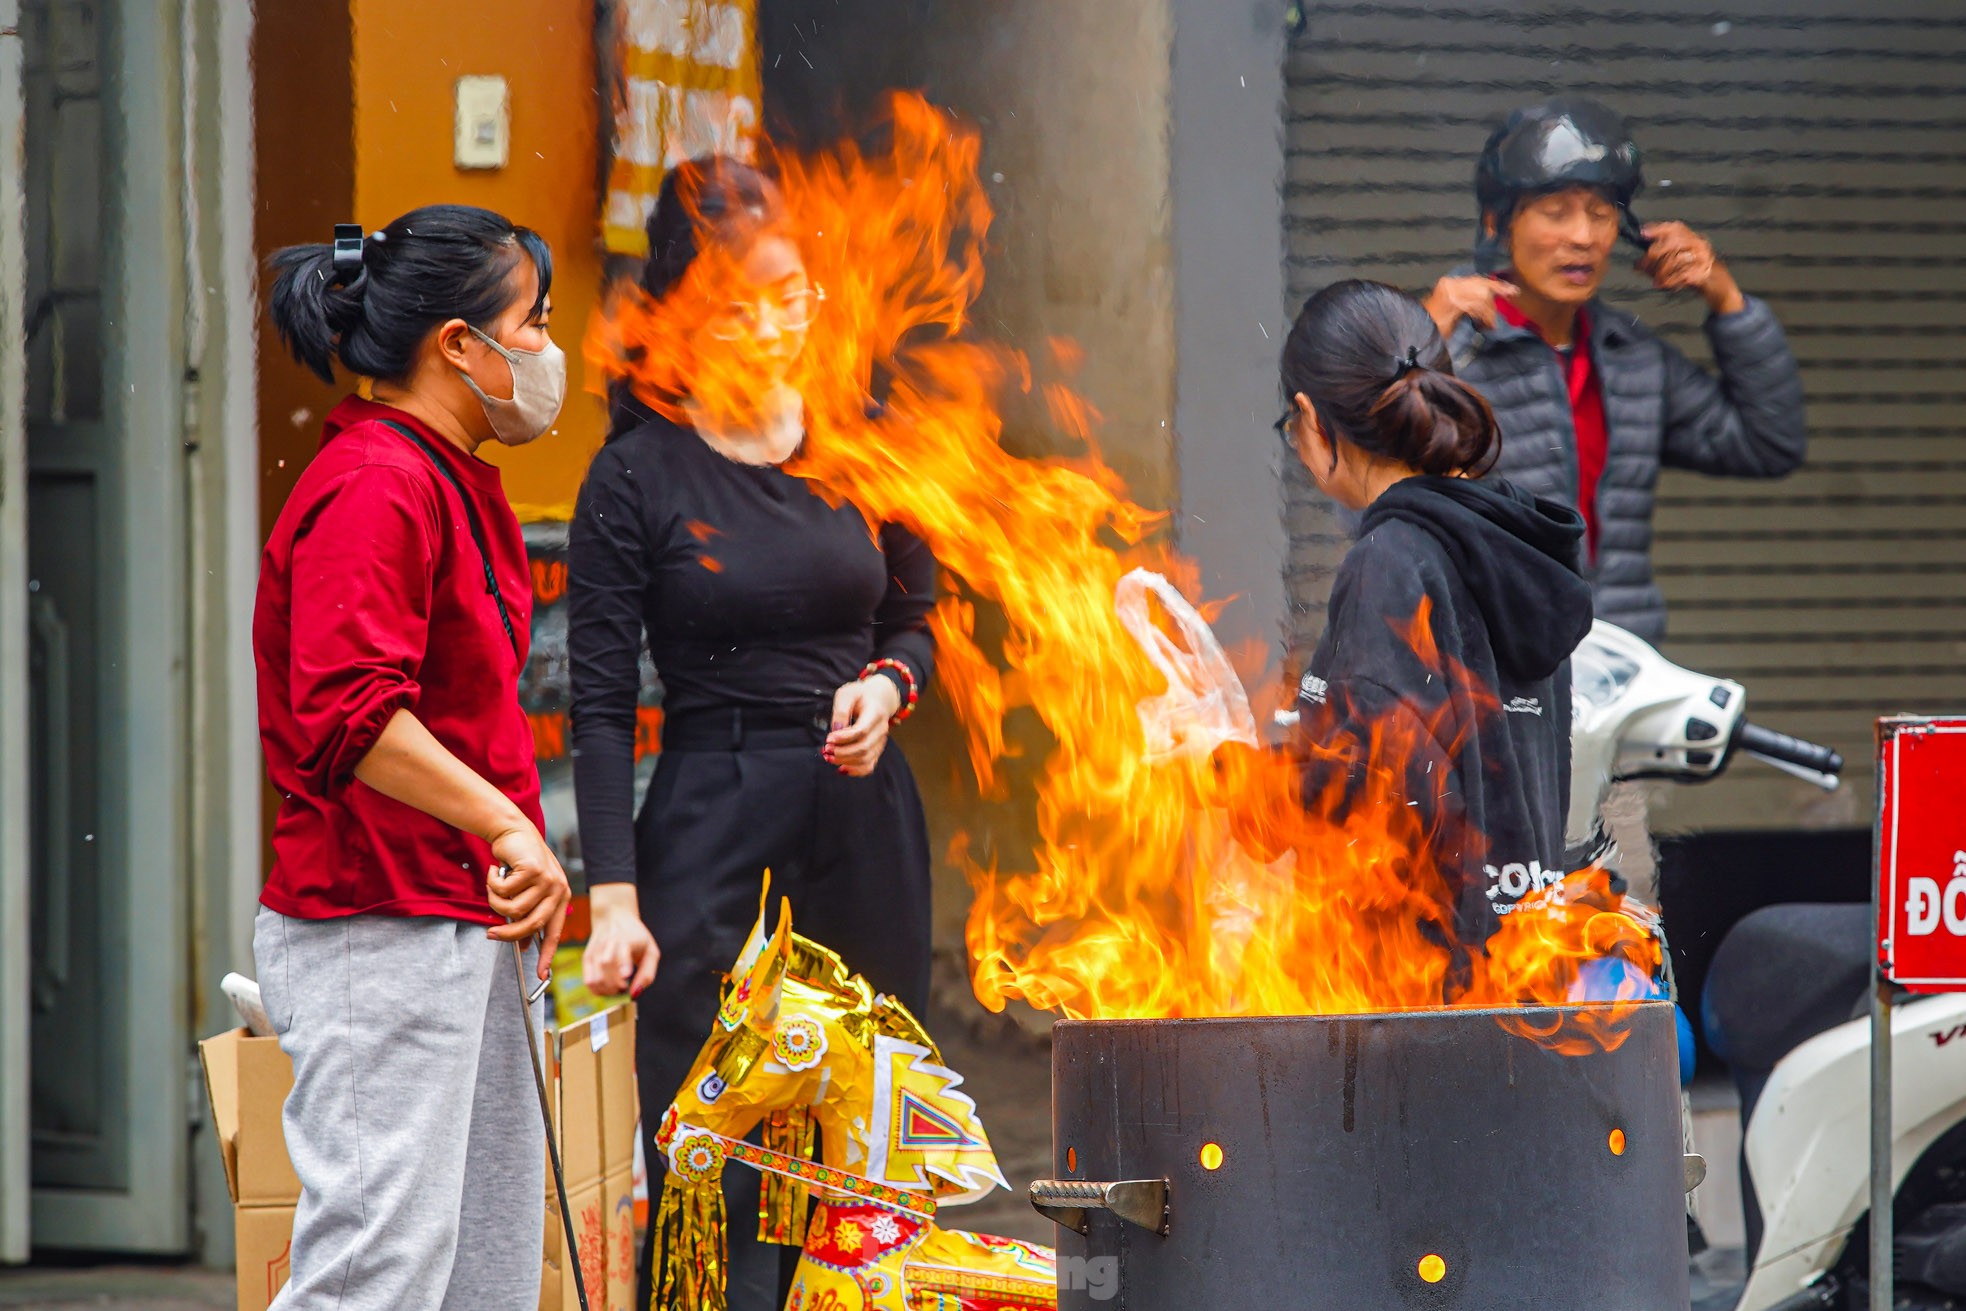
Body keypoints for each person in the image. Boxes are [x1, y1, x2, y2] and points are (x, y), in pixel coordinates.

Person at [567, 157, 936, 1310]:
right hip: (712, 814)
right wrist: (613, 897)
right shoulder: (634, 474)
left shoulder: (867, 440)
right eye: (741, 307)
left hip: (863, 815)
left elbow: (918, 622)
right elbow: (597, 700)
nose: (775, 328)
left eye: (794, 299)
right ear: (680, 316)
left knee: (864, 1129)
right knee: (710, 1137)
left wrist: (887, 684)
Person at [252, 205, 570, 1310]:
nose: (543, 351)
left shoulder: (440, 473)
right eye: (530, 323)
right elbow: (350, 712)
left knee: (479, 1280)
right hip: (377, 928)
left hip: (457, 922)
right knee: (375, 1279)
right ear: (458, 346)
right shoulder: (376, 483)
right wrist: (508, 824)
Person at [1280, 279, 1595, 979]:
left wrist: (1226, 776)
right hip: (1523, 974)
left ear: (1310, 417)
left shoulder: (1388, 561)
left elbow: (1365, 790)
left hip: (1416, 1001)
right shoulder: (1510, 548)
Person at [1422, 95, 1806, 644]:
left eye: (1600, 213)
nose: (1582, 236)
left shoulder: (1632, 357)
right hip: (1496, 670)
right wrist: (1417, 347)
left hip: (1621, 668)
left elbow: (1768, 443)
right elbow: (1365, 491)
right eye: (1555, 212)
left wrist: (1725, 297)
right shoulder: (1453, 348)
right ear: (1497, 223)